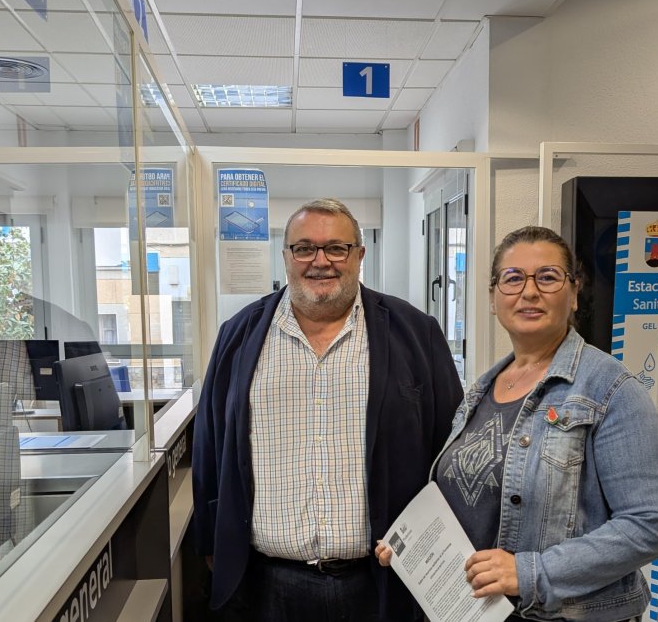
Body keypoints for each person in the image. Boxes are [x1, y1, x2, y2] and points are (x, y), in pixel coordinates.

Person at [375, 225, 658, 622]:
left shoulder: (611, 390)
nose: (529, 292)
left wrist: (529, 572)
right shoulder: (481, 391)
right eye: (513, 278)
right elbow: (472, 501)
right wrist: (416, 547)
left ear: (573, 293)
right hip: (479, 611)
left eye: (548, 277)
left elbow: (650, 525)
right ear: (492, 298)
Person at [192, 198, 463, 622]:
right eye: (304, 248)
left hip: (385, 583)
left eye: (336, 248)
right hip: (267, 586)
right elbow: (209, 444)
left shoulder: (416, 333)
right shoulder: (239, 336)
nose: (321, 261)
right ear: (286, 257)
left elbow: (451, 451)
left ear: (359, 254)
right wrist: (212, 544)